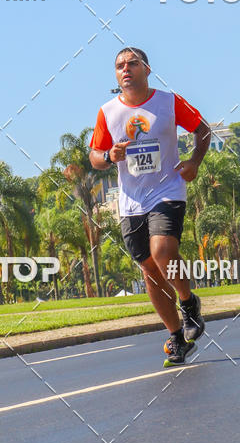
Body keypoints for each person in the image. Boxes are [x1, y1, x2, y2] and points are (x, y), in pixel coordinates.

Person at [89, 47, 211, 367]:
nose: (125, 69)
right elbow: (95, 156)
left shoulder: (169, 102)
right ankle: (176, 336)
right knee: (150, 273)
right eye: (119, 66)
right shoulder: (108, 112)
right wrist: (108, 157)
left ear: (147, 69)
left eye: (132, 64)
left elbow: (203, 129)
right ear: (115, 74)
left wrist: (195, 161)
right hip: (130, 203)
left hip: (167, 191)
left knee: (162, 251)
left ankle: (188, 303)